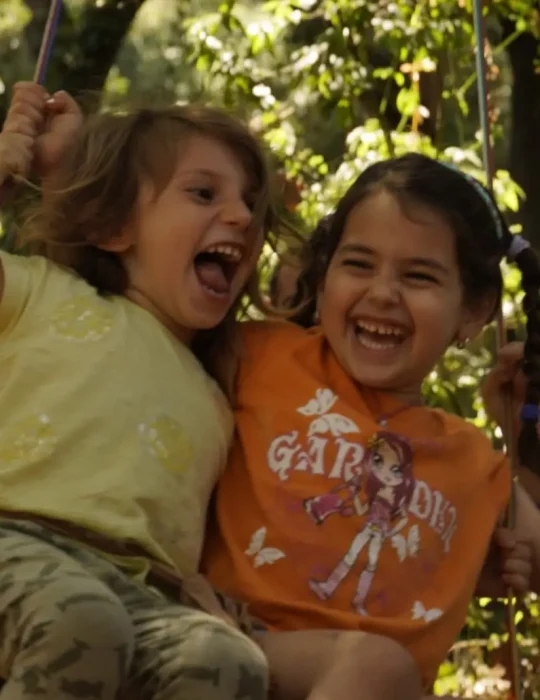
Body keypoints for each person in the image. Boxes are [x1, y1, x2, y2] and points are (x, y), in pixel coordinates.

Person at [202, 153, 540, 699]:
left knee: (380, 670)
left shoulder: (474, 463)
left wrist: (520, 432)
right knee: (376, 665)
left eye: (419, 276)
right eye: (359, 264)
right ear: (324, 276)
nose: (382, 293)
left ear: (475, 311)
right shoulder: (256, 356)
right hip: (228, 650)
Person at [0, 81, 280, 700]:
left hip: (143, 590)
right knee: (83, 621)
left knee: (230, 664)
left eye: (249, 203)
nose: (241, 216)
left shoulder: (221, 393)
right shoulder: (43, 293)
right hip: (15, 538)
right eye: (203, 193)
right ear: (115, 226)